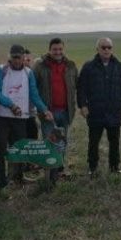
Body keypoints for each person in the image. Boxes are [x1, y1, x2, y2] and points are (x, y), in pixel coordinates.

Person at [0, 44, 53, 197]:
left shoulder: (28, 73)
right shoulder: (2, 70)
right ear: (9, 57)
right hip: (2, 117)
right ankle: (2, 183)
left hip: (20, 118)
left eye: (20, 57)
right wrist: (10, 104)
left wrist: (44, 109)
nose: (17, 61)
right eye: (14, 57)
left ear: (24, 57)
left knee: (18, 148)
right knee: (1, 149)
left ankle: (17, 177)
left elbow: (34, 94)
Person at [77, 37, 121, 176]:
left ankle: (114, 167)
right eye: (103, 47)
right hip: (95, 111)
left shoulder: (119, 66)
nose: (106, 50)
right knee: (93, 142)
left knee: (114, 142)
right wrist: (83, 106)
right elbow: (81, 88)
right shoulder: (89, 66)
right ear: (97, 49)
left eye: (109, 47)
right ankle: (92, 167)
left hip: (114, 112)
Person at [33, 37, 79, 181]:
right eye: (55, 49)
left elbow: (77, 85)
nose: (58, 52)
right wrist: (41, 109)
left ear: (63, 49)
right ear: (49, 50)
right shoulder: (40, 66)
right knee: (50, 143)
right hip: (48, 113)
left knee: (62, 142)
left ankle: (59, 169)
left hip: (66, 111)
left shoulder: (71, 65)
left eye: (60, 49)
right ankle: (49, 175)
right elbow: (33, 89)